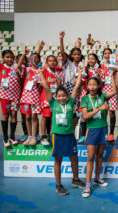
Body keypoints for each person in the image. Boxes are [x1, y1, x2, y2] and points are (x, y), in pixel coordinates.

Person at [40, 65, 85, 195]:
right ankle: (58, 185)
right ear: (56, 97)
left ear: (67, 95)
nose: (61, 98)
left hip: (70, 136)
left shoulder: (70, 102)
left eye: (63, 95)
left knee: (74, 158)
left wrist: (80, 73)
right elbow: (46, 87)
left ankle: (75, 180)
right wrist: (42, 73)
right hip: (57, 136)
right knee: (58, 160)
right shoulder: (53, 103)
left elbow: (76, 87)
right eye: (59, 96)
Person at [81, 76, 116, 198]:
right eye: (89, 84)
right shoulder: (85, 99)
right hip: (91, 131)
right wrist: (99, 109)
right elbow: (85, 116)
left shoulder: (102, 96)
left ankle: (97, 178)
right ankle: (88, 185)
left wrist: (112, 76)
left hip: (103, 129)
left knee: (100, 155)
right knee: (90, 157)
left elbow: (115, 91)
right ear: (87, 86)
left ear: (98, 86)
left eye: (94, 84)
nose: (92, 87)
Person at [19, 42, 44, 146]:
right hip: (26, 97)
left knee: (34, 117)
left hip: (35, 97)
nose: (35, 59)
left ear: (39, 60)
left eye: (37, 58)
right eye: (32, 58)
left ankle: (34, 136)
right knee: (27, 117)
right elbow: (19, 65)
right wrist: (24, 55)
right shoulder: (27, 69)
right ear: (29, 60)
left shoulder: (40, 71)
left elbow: (41, 85)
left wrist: (37, 84)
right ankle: (29, 136)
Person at [0, 50, 22, 147]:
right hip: (5, 95)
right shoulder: (0, 67)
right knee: (5, 115)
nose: (9, 59)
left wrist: (17, 74)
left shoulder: (16, 68)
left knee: (14, 115)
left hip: (15, 96)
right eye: (7, 57)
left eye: (11, 57)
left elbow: (21, 82)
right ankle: (5, 138)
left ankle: (12, 137)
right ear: (3, 58)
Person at [40, 55, 63, 146]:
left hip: (56, 97)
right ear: (47, 63)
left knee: (54, 116)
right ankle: (43, 136)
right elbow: (39, 85)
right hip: (46, 96)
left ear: (56, 63)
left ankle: (53, 136)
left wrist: (59, 84)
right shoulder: (44, 71)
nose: (52, 62)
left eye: (54, 61)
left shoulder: (59, 73)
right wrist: (49, 81)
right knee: (45, 116)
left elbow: (61, 86)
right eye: (50, 61)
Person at [78, 53, 102, 144]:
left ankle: (94, 134)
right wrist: (80, 75)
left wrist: (99, 74)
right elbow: (81, 82)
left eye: (93, 59)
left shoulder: (99, 70)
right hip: (85, 93)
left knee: (95, 115)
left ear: (96, 60)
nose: (91, 60)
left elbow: (101, 84)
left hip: (95, 95)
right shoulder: (85, 69)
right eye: (89, 59)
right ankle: (83, 135)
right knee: (84, 117)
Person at [101, 48, 118, 142]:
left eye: (109, 53)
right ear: (103, 55)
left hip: (113, 90)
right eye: (105, 53)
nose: (107, 55)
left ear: (112, 55)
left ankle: (111, 133)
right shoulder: (101, 66)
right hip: (104, 91)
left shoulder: (115, 65)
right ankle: (104, 133)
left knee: (112, 112)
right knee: (104, 111)